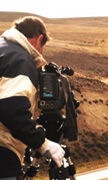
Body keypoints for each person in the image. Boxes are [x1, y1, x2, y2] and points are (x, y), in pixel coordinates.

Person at [0, 16, 65, 179]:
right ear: (39, 38)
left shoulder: (4, 50)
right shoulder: (19, 59)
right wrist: (42, 143)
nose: (41, 53)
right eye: (42, 47)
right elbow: (11, 108)